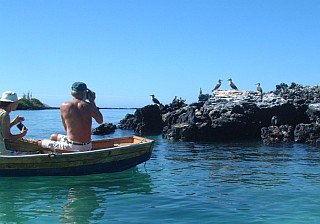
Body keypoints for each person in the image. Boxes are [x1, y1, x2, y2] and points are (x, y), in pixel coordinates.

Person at [38, 82, 103, 151]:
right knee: (54, 136)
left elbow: (66, 128)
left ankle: (57, 154)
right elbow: (100, 121)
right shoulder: (89, 106)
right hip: (87, 146)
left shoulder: (64, 106)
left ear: (72, 92)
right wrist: (92, 101)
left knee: (40, 142)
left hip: (72, 146)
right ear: (85, 93)